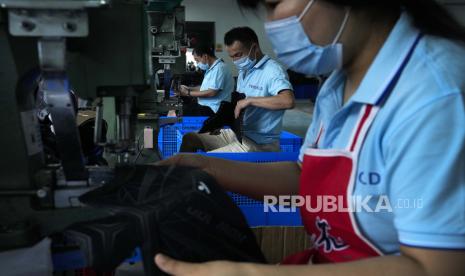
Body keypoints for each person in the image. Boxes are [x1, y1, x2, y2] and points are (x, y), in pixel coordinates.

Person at [155, 0, 465, 275]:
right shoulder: (339, 82)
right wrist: (206, 169)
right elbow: (308, 178)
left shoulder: (435, 94)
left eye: (275, 4)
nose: (270, 24)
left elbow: (437, 267)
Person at [180, 27, 295, 153]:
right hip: (238, 133)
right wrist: (220, 122)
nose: (235, 61)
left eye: (238, 55)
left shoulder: (272, 70)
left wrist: (250, 100)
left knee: (205, 162)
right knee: (190, 139)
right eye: (232, 57)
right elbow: (238, 105)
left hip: (259, 143)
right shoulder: (243, 72)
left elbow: (288, 100)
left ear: (254, 48)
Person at [178, 44, 234, 116]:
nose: (197, 63)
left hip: (213, 110)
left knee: (178, 113)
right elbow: (203, 88)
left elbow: (212, 92)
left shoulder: (219, 68)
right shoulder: (211, 69)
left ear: (205, 56)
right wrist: (188, 88)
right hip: (205, 106)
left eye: (197, 60)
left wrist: (188, 93)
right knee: (179, 109)